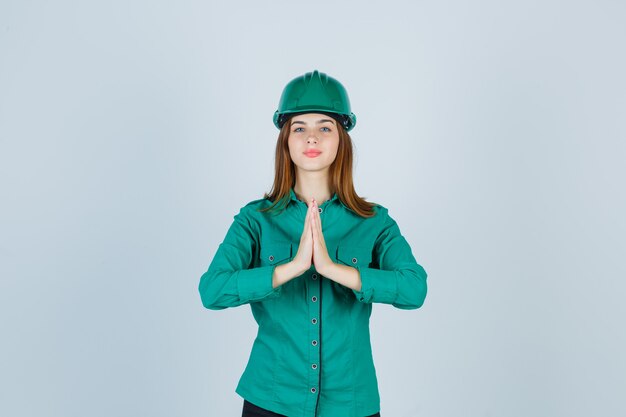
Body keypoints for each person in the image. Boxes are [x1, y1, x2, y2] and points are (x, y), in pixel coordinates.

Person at [198, 70, 428, 417]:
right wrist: (289, 268)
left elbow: (415, 289)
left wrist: (335, 270)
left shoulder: (374, 221)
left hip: (351, 404)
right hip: (270, 400)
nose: (312, 138)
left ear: (341, 139)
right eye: (299, 128)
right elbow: (211, 291)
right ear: (286, 140)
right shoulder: (255, 219)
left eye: (325, 127)